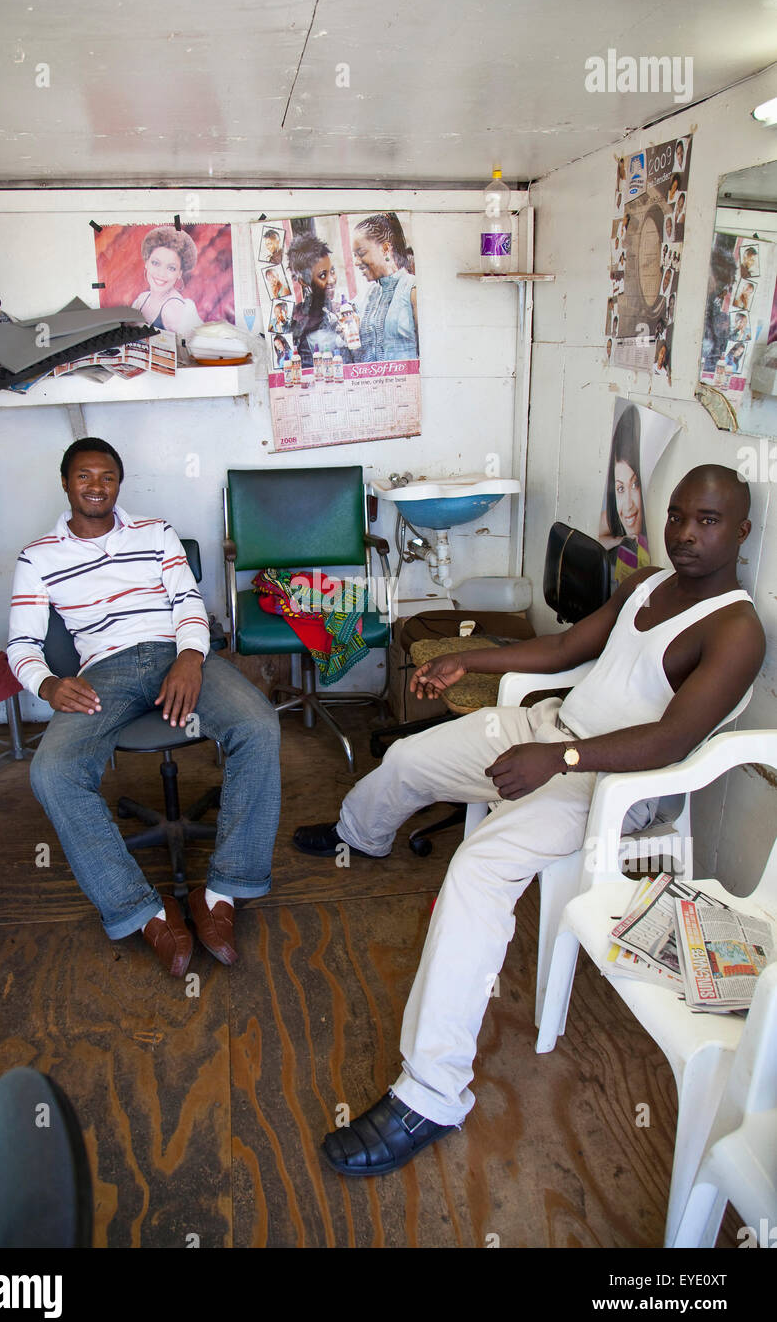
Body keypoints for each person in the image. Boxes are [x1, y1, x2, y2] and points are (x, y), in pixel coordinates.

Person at [293, 465, 764, 1176]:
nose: (686, 534)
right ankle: (361, 834)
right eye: (677, 517)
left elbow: (670, 742)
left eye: (707, 521)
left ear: (742, 531)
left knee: (477, 870)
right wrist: (465, 663)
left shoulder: (736, 630)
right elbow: (563, 649)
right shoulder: (646, 583)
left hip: (610, 787)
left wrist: (561, 758)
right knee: (412, 759)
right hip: (551, 727)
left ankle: (431, 1093)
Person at [7, 439, 280, 976]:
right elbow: (22, 645)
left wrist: (190, 658)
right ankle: (141, 909)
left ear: (118, 484)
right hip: (102, 670)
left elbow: (188, 605)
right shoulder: (38, 557)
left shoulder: (156, 533)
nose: (96, 486)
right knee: (52, 772)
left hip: (175, 654)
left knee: (259, 727)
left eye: (107, 477)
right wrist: (46, 685)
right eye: (84, 476)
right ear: (66, 484)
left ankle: (220, 893)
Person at [352, 213, 418, 362]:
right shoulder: (369, 295)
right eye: (354, 255)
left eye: (361, 253)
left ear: (385, 248)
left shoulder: (412, 289)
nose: (356, 262)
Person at [287, 232, 349, 371]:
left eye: (332, 271)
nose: (331, 280)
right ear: (303, 282)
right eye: (322, 275)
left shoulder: (344, 310)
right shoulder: (299, 321)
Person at [599, 403, 647, 559]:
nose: (628, 505)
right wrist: (620, 541)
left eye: (635, 485)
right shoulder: (611, 516)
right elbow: (597, 540)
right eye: (620, 488)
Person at [132, 225, 200, 334]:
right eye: (156, 263)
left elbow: (187, 349)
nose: (161, 273)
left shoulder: (173, 308)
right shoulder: (141, 300)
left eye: (171, 268)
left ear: (179, 273)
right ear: (146, 263)